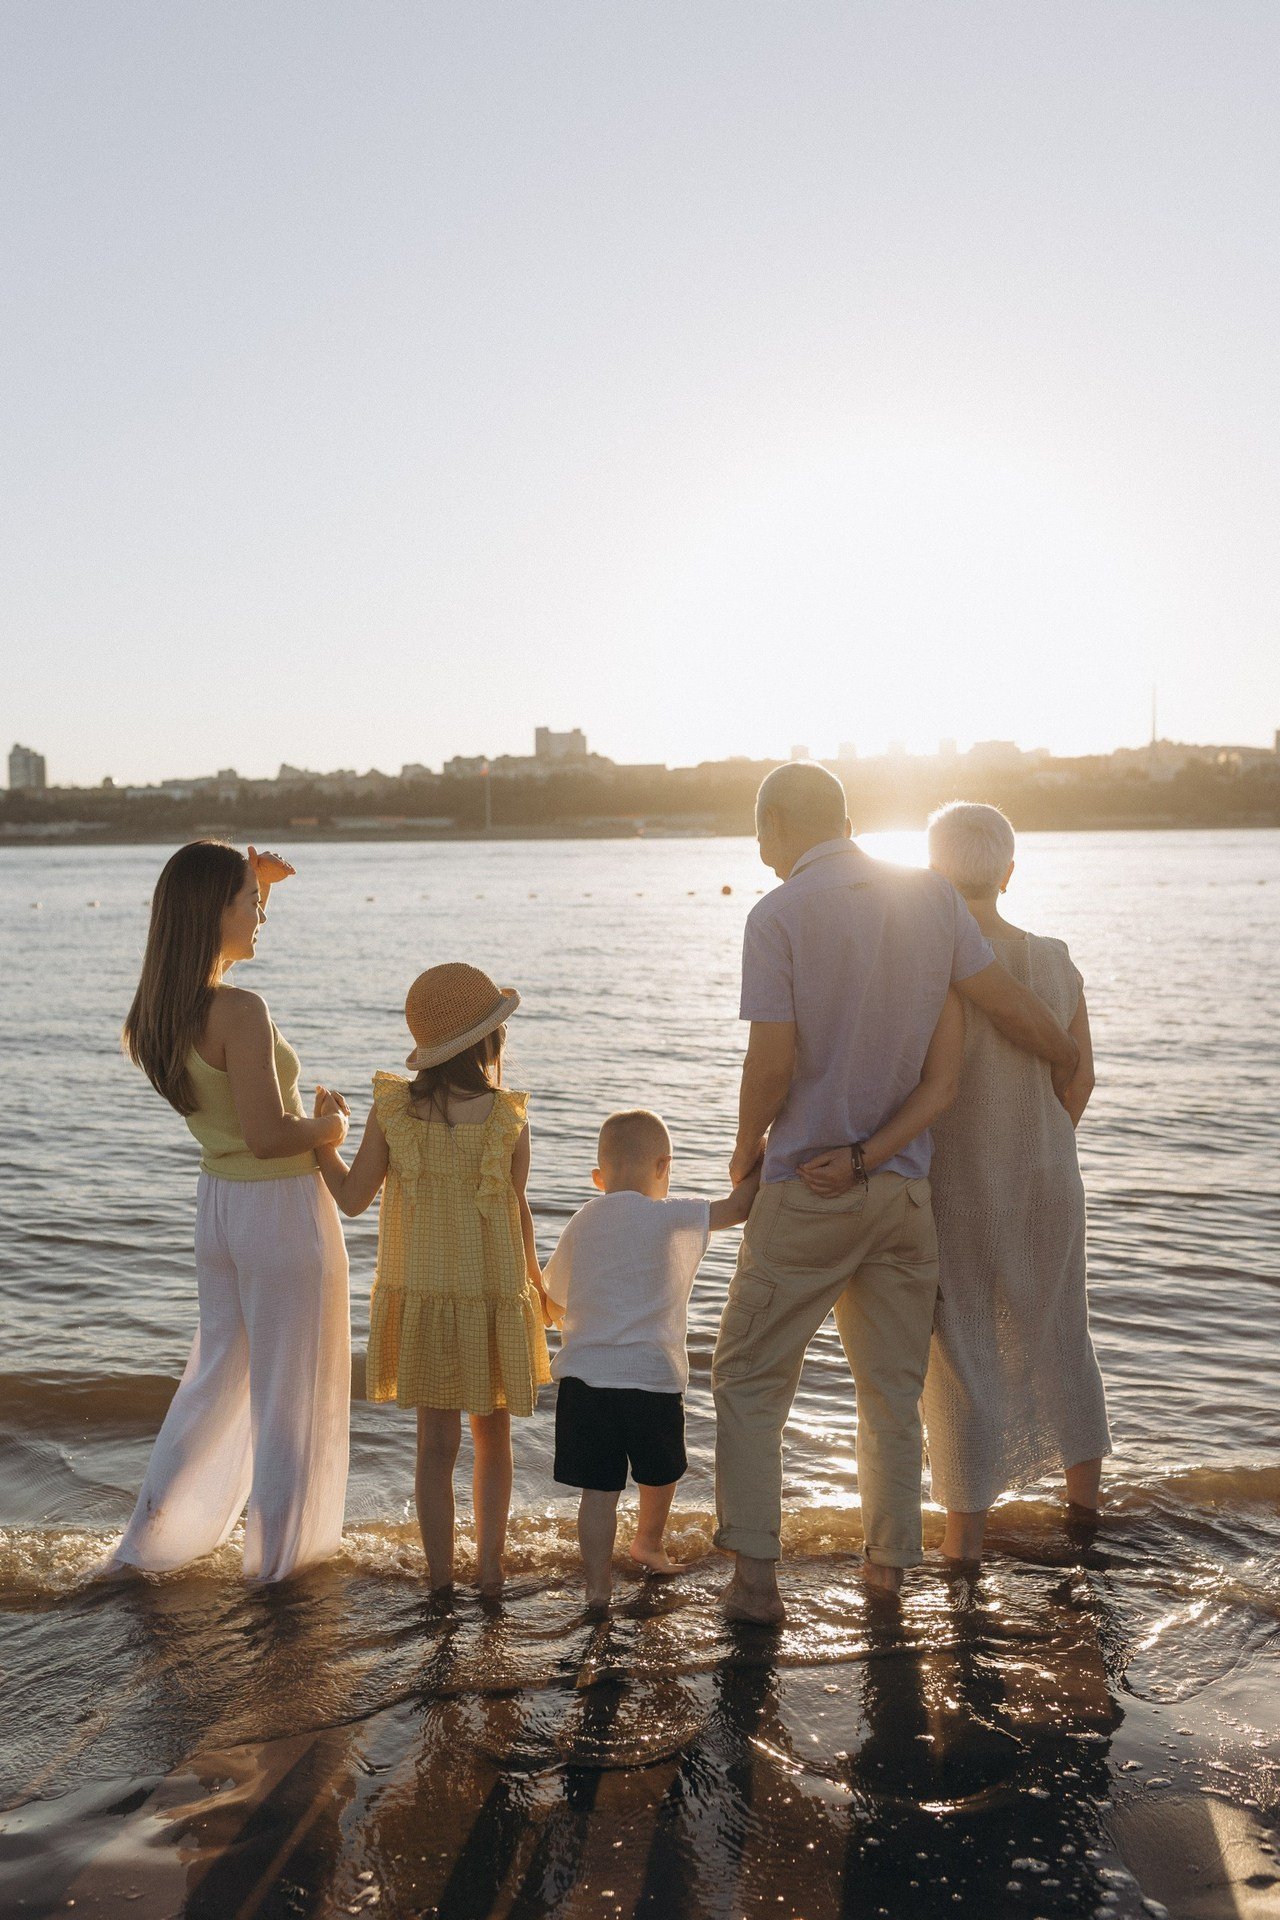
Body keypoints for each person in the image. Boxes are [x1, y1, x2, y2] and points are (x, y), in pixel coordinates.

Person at [712, 762, 1083, 1624]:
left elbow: (771, 1060)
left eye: (759, 830)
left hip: (809, 1186)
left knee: (749, 1380)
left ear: (778, 823)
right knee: (888, 1392)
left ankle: (756, 1584)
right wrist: (1064, 1060)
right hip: (903, 1192)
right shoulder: (931, 900)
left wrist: (742, 1152)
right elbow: (1006, 1002)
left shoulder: (777, 916)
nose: (757, 848)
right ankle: (886, 1575)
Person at [111, 841, 352, 1583]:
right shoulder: (242, 1011)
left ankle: (149, 1544)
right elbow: (268, 1133)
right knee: (289, 1396)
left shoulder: (166, 1009)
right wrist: (331, 1128)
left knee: (217, 1381)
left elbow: (235, 1128)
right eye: (250, 902)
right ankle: (281, 1567)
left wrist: (263, 882)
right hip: (277, 1208)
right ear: (214, 912)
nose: (262, 917)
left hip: (220, 1208)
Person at [314, 963, 550, 1596]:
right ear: (487, 1042)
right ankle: (492, 1570)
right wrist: (537, 1287)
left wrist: (320, 1143)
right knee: (493, 1441)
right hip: (494, 1295)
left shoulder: (393, 1111)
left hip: (425, 1296)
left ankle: (441, 1577)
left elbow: (354, 1197)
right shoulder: (509, 1117)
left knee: (433, 1448)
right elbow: (519, 1212)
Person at [920, 802, 1111, 1562]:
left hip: (954, 1179)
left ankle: (964, 1541)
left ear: (934, 873)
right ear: (1008, 872)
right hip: (1047, 1175)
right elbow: (1081, 1078)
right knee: (1063, 1333)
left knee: (961, 1344)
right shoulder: (1057, 959)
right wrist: (1039, 1141)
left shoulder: (931, 965)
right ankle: (1083, 1514)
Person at [542, 1109, 760, 1614]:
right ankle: (649, 1544)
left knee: (598, 1493)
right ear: (664, 1166)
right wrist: (762, 1155)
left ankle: (598, 1589)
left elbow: (553, 1294)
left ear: (599, 1178)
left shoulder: (583, 1219)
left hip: (585, 1381)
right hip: (652, 1379)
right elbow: (740, 1206)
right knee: (659, 1474)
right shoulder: (672, 1214)